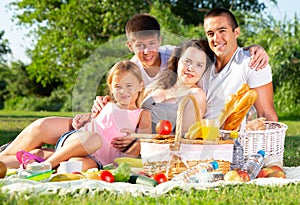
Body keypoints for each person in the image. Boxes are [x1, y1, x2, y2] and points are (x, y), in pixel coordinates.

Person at [0, 13, 269, 158]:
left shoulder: (194, 90)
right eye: (139, 46)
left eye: (152, 44)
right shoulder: (154, 69)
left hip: (134, 139)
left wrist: (250, 50)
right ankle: (10, 155)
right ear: (130, 46)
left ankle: (29, 157)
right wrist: (101, 105)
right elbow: (124, 92)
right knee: (41, 127)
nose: (146, 51)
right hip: (114, 122)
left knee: (55, 150)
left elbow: (211, 48)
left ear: (160, 41)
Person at [0, 60, 152, 169]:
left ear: (140, 86)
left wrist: (135, 139)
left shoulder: (142, 114)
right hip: (81, 141)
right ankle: (47, 166)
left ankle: (36, 163)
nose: (123, 91)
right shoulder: (107, 105)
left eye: (129, 86)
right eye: (117, 86)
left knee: (73, 166)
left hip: (99, 160)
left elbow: (145, 144)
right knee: (94, 138)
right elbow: (93, 123)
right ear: (111, 88)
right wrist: (86, 118)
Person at [199, 8, 278, 122]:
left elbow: (267, 115)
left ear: (236, 32)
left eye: (222, 31)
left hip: (235, 138)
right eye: (210, 34)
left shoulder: (253, 63)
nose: (216, 39)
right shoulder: (202, 63)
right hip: (200, 136)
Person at [142, 39, 213, 133]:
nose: (191, 68)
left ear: (204, 70)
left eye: (199, 65)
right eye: (187, 61)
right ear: (178, 60)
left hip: (157, 146)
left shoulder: (196, 95)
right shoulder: (161, 82)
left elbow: (184, 139)